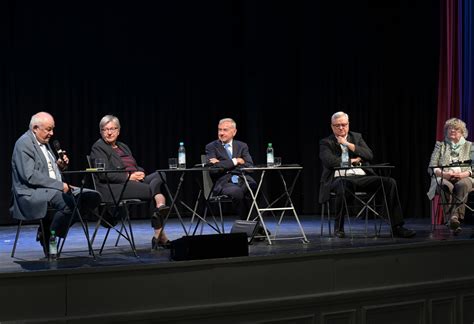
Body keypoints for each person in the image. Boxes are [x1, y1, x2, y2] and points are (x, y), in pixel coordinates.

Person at [10, 112, 101, 255]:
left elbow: (48, 169)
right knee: (69, 204)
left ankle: (48, 231)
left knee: (92, 197)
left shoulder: (44, 143)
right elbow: (30, 176)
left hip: (53, 188)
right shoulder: (24, 144)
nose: (51, 133)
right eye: (48, 129)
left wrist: (60, 165)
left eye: (52, 129)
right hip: (32, 191)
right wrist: (60, 186)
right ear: (35, 128)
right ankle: (49, 235)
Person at [319, 111, 416, 238]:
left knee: (389, 182)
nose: (341, 127)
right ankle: (339, 227)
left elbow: (369, 155)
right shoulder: (326, 142)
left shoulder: (356, 137)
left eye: (343, 124)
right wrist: (352, 161)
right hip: (340, 178)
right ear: (332, 126)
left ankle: (397, 227)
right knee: (343, 184)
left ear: (348, 124)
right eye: (337, 125)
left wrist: (347, 144)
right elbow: (330, 161)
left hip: (362, 177)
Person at [90, 115, 171, 249]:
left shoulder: (123, 146)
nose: (109, 132)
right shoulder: (98, 147)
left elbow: (133, 165)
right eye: (105, 129)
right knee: (152, 190)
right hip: (113, 187)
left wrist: (140, 172)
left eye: (112, 129)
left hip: (133, 180)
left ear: (118, 130)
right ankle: (160, 226)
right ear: (101, 132)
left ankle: (159, 229)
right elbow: (103, 173)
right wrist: (129, 176)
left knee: (161, 174)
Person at [205, 118, 258, 222]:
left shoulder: (242, 146)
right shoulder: (211, 147)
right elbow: (213, 169)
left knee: (254, 187)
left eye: (225, 130)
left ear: (234, 132)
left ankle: (254, 224)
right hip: (223, 183)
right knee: (237, 192)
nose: (221, 133)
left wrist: (222, 164)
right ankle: (248, 224)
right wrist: (235, 161)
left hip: (241, 180)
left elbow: (250, 167)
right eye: (219, 130)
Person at [427, 118, 473, 232]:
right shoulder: (440, 145)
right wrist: (443, 174)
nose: (452, 130)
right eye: (449, 128)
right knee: (444, 185)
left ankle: (453, 218)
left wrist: (463, 174)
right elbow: (431, 167)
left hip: (465, 177)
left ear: (463, 132)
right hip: (444, 177)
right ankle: (452, 219)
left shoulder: (470, 146)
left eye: (456, 129)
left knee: (461, 185)